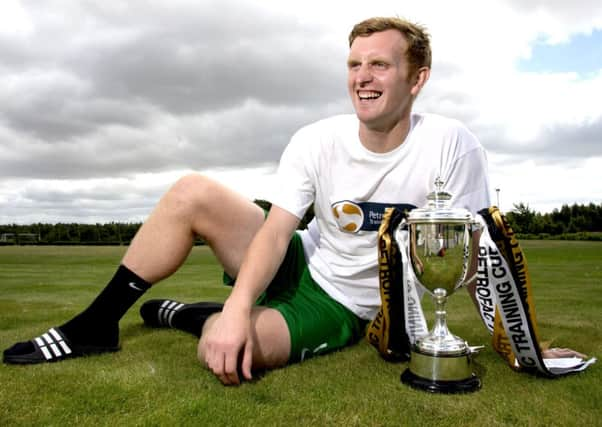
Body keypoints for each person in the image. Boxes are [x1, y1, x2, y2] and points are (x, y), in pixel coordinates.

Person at [4, 16, 494, 385]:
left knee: (226, 352)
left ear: (418, 78)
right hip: (299, 257)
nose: (362, 77)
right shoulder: (316, 139)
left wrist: (518, 342)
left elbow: (477, 254)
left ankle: (192, 315)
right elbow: (277, 231)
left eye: (380, 64)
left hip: (345, 303)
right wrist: (241, 305)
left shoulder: (453, 144)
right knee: (190, 192)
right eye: (354, 64)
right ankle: (96, 324)